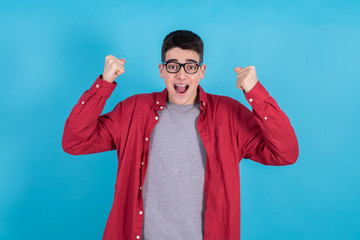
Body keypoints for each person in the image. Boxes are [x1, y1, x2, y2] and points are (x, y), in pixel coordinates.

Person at [62, 30, 299, 240]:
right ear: (162, 70)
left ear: (202, 71)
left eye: (191, 66)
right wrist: (104, 84)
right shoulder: (132, 110)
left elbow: (285, 153)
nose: (182, 75)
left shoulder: (229, 115)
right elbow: (75, 141)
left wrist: (255, 92)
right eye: (173, 66)